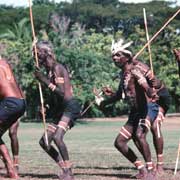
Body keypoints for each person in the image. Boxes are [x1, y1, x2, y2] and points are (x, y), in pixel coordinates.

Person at [96, 39, 170, 179]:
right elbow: (119, 95)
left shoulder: (136, 69)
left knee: (139, 135)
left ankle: (150, 170)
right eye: (113, 56)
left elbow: (146, 87)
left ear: (127, 57)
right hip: (135, 112)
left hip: (148, 108)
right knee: (119, 142)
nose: (114, 58)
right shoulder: (123, 74)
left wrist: (151, 92)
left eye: (118, 55)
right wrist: (104, 102)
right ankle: (142, 169)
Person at [33, 41, 81, 180]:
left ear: (45, 52)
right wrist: (46, 105)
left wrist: (44, 80)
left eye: (37, 52)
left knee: (57, 137)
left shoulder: (58, 68)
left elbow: (61, 93)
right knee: (45, 141)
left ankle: (69, 172)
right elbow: (54, 95)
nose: (35, 55)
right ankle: (65, 168)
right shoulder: (48, 71)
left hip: (70, 107)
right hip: (59, 110)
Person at [0, 56, 26, 179]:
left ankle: (11, 169)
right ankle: (10, 169)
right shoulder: (5, 62)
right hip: (21, 102)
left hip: (10, 103)